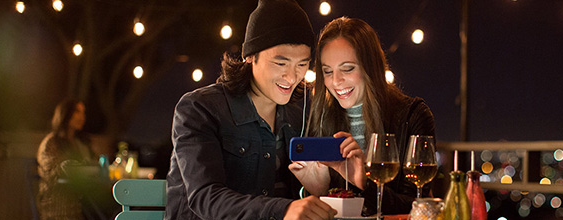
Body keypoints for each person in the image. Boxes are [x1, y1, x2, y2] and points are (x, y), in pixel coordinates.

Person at [166, 0, 337, 219]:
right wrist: (282, 209)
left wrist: (318, 190)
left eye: (302, 65)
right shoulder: (200, 108)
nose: (292, 77)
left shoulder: (298, 118)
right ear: (250, 57)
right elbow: (205, 197)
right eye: (281, 63)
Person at [290, 17, 437, 215]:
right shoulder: (321, 118)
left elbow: (418, 207)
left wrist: (364, 183)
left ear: (371, 67)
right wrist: (317, 191)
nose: (336, 81)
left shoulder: (413, 115)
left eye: (348, 68)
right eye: (327, 71)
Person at [36, 99, 95, 219]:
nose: (82, 117)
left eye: (83, 113)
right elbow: (49, 171)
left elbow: (93, 162)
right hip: (57, 198)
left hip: (80, 197)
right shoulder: (51, 142)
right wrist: (69, 168)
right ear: (65, 114)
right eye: (77, 112)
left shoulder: (78, 143)